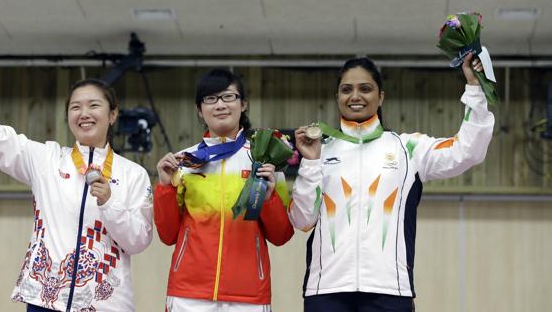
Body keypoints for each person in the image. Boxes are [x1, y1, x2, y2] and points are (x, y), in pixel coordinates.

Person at [0, 42, 153, 312]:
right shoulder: (47, 159)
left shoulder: (133, 174)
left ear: (112, 115)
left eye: (94, 105)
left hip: (106, 304)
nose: (84, 113)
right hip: (45, 299)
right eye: (75, 107)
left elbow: (138, 241)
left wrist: (110, 203)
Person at [291, 55, 494, 312]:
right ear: (337, 97)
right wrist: (309, 163)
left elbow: (468, 150)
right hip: (326, 290)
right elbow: (302, 220)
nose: (355, 96)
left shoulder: (408, 148)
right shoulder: (320, 150)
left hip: (389, 289)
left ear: (381, 97)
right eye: (346, 89)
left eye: (365, 88)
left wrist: (475, 89)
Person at [154, 69, 294, 312]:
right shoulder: (185, 162)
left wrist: (269, 197)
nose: (220, 105)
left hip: (248, 295)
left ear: (243, 104)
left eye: (228, 97)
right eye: (210, 98)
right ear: (200, 109)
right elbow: (167, 236)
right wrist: (165, 186)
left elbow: (281, 236)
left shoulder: (263, 160)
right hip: (189, 293)